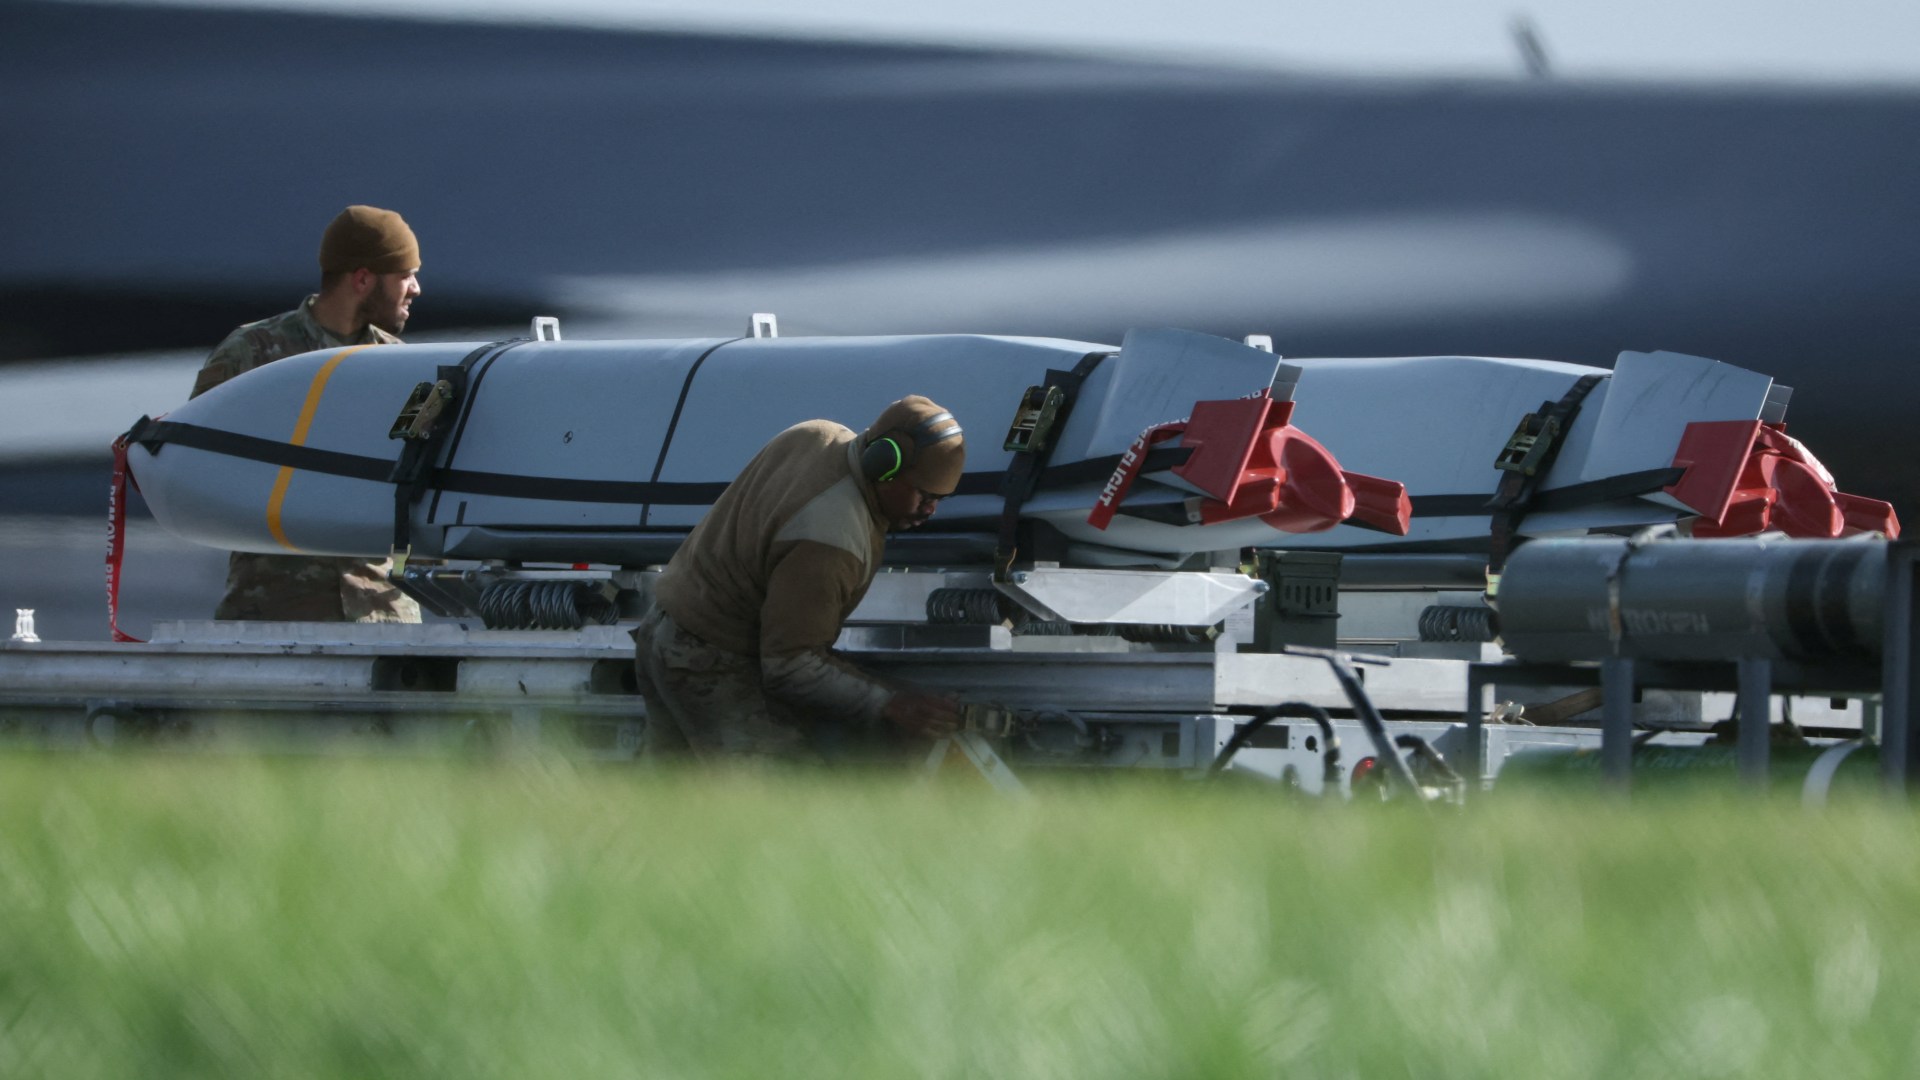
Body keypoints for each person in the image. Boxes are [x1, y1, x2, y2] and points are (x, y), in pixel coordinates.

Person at [632, 396, 969, 762]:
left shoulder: (817, 434)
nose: (930, 510)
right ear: (884, 464)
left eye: (940, 499)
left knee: (669, 786)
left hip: (662, 627)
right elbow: (791, 665)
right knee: (779, 792)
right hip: (706, 658)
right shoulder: (832, 535)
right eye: (923, 494)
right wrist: (891, 703)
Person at [189, 205, 424, 622]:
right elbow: (196, 461)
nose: (416, 289)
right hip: (276, 609)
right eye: (405, 275)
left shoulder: (403, 367)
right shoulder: (254, 353)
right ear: (363, 279)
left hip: (383, 616)